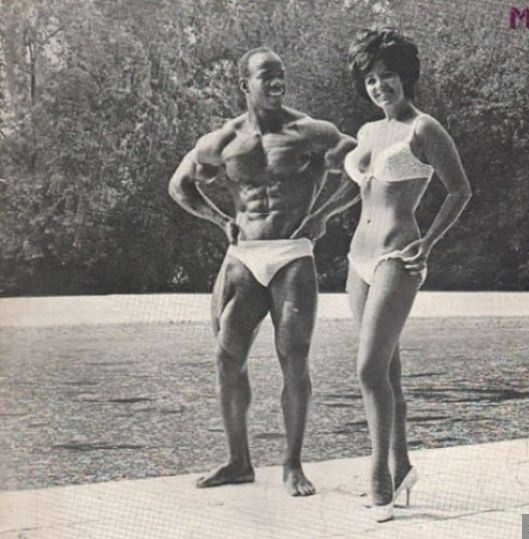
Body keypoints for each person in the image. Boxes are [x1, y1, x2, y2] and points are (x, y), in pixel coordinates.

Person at [168, 47, 356, 496]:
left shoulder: (310, 131)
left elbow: (361, 166)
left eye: (281, 74)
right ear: (244, 84)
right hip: (243, 256)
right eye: (267, 75)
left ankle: (292, 465)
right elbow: (180, 185)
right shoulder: (224, 140)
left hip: (292, 253)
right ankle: (238, 461)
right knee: (226, 358)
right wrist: (220, 220)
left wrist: (324, 215)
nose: (277, 82)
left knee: (294, 357)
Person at [344, 28, 472, 521]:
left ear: (406, 76)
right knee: (387, 371)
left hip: (398, 255)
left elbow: (460, 190)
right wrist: (315, 219)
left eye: (387, 76)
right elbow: (357, 187)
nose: (380, 86)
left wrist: (430, 241)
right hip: (358, 258)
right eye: (371, 80)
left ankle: (378, 478)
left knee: (368, 370)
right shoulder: (367, 132)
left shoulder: (424, 129)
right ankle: (401, 468)